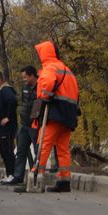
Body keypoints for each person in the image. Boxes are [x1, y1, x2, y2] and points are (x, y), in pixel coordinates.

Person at [16, 42, 80, 193]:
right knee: (63, 148)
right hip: (68, 115)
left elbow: (48, 83)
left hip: (54, 113)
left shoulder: (50, 68)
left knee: (43, 144)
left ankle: (36, 178)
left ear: (44, 54)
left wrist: (44, 97)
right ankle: (64, 181)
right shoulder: (67, 70)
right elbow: (76, 93)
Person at [0, 66, 38, 185]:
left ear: (32, 75)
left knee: (38, 152)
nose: (24, 79)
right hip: (24, 124)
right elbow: (22, 102)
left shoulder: (41, 86)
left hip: (36, 124)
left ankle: (36, 176)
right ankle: (18, 176)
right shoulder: (25, 87)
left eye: (25, 77)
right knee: (21, 151)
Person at [0, 70, 18, 179]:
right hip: (0, 129)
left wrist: (8, 117)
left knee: (8, 151)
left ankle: (12, 174)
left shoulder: (6, 90)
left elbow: (13, 101)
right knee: (3, 152)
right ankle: (8, 174)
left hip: (7, 129)